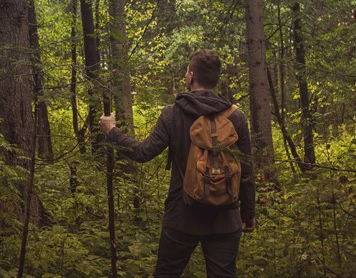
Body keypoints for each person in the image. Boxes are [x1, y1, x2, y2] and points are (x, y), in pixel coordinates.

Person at [100, 49, 256, 278]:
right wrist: (248, 212)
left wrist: (112, 131)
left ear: (191, 76)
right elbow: (247, 170)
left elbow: (143, 153)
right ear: (215, 79)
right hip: (226, 217)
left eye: (186, 71)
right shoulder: (236, 117)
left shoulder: (173, 114)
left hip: (182, 215)